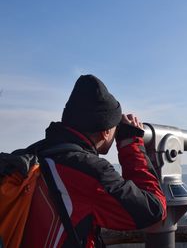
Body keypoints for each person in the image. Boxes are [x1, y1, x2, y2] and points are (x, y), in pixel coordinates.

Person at [20, 74, 167, 247]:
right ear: (106, 132)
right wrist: (131, 144)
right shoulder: (89, 171)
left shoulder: (37, 154)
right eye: (115, 127)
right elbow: (153, 212)